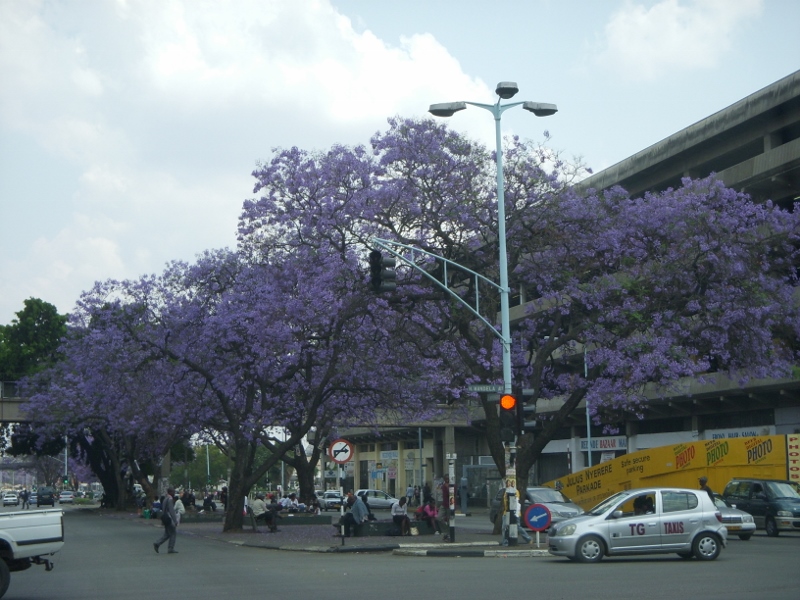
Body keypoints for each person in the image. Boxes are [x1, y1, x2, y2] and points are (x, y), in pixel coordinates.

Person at [153, 487, 179, 554]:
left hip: (165, 518)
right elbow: (171, 511)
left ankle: (157, 543)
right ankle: (170, 548)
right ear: (170, 492)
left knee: (167, 533)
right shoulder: (170, 499)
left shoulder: (165, 499)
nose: (174, 493)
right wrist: (175, 520)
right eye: (173, 492)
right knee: (173, 533)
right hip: (169, 518)